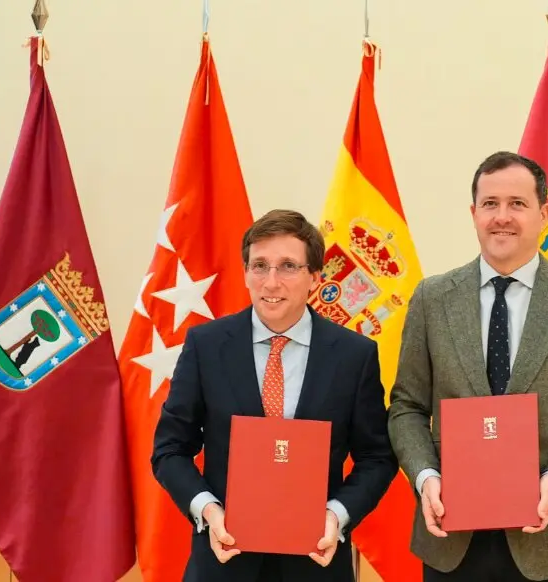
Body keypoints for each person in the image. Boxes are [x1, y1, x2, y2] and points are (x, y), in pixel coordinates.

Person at [388, 151, 548, 582]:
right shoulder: (432, 298)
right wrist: (426, 476)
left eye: (517, 204)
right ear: (473, 213)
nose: (502, 217)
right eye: (490, 204)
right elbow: (407, 406)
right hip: (451, 539)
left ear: (543, 214)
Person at [152, 209, 398, 582]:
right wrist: (208, 511)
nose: (271, 282)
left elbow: (377, 457)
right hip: (223, 559)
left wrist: (336, 515)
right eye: (259, 266)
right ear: (246, 273)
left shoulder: (354, 355)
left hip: (316, 563)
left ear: (315, 277)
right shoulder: (206, 345)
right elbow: (169, 449)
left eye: (287, 267)